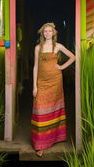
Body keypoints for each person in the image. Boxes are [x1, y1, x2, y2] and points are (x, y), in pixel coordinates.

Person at [31, 22, 76, 157]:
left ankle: (56, 138)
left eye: (50, 31)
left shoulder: (58, 46)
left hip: (56, 81)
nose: (48, 33)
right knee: (40, 109)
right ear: (42, 33)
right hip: (42, 83)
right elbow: (35, 67)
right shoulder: (38, 47)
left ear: (54, 33)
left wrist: (62, 67)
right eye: (45, 31)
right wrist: (34, 86)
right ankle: (40, 144)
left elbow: (73, 57)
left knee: (54, 109)